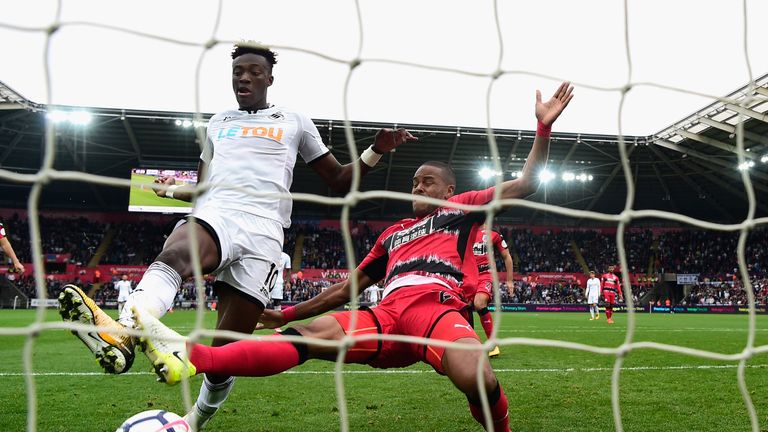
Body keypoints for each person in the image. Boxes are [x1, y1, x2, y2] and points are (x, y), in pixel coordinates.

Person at [134, 82, 574, 431]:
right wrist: (285, 313)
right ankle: (188, 357)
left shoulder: (463, 210)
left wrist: (543, 129)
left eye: (427, 182)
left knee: (474, 375)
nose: (417, 187)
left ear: (449, 192)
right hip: (386, 317)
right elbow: (346, 289)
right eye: (415, 182)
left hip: (436, 315)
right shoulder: (393, 235)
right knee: (306, 335)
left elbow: (525, 185)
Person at [57, 41, 417, 430]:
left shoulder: (294, 120)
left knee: (225, 349)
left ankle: (194, 421)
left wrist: (376, 151)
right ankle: (123, 331)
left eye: (253, 71)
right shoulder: (218, 122)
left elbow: (341, 181)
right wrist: (172, 191)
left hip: (265, 233)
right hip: (219, 212)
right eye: (237, 72)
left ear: (269, 78)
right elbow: (204, 186)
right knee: (177, 253)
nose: (243, 77)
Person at [469, 225, 514, 358]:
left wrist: (510, 280)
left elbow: (507, 257)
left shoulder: (494, 234)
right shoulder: (464, 231)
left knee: (479, 303)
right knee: (463, 306)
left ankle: (493, 345)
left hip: (486, 275)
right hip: (468, 275)